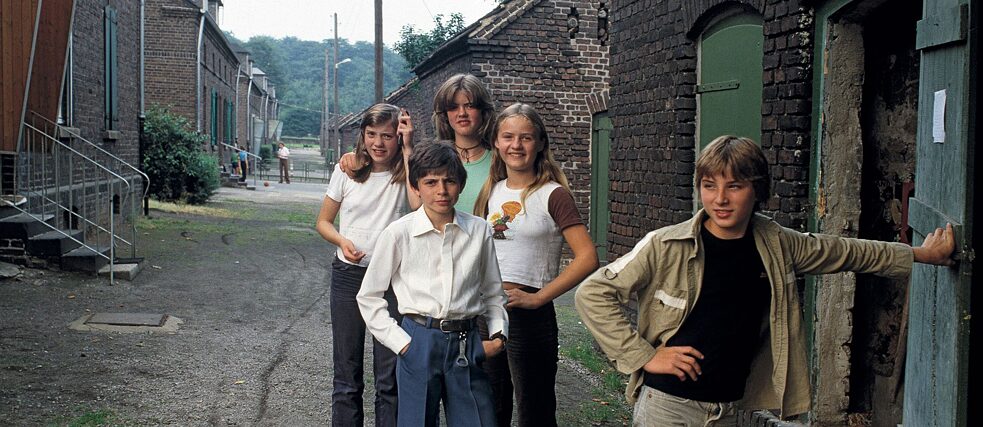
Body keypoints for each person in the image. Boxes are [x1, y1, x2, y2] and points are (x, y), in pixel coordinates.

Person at [574, 135, 957, 426]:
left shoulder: (777, 244)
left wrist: (923, 254)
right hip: (669, 407)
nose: (720, 199)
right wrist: (646, 356)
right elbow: (593, 293)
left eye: (734, 186)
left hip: (731, 409)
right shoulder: (666, 245)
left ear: (757, 189)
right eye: (710, 186)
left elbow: (848, 252)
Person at [357, 141, 508, 427]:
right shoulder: (398, 233)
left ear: (460, 185)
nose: (441, 190)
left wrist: (498, 336)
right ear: (416, 187)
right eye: (431, 182)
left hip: (467, 341)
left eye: (450, 181)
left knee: (478, 420)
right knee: (416, 421)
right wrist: (402, 344)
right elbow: (369, 297)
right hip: (419, 339)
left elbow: (493, 293)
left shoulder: (479, 231)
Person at [473, 104, 599, 426]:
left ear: (540, 143)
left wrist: (538, 298)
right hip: (486, 314)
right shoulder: (491, 191)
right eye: (508, 137)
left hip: (529, 318)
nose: (516, 145)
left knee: (535, 412)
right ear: (497, 144)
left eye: (526, 137)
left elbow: (587, 258)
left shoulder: (553, 195)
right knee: (488, 409)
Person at [315, 103, 415, 427]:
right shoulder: (347, 170)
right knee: (347, 375)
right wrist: (342, 241)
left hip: (391, 282)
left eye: (388, 135)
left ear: (398, 137)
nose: (379, 143)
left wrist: (410, 148)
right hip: (348, 277)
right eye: (372, 134)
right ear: (362, 134)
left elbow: (418, 204)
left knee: (390, 378)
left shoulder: (406, 173)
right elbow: (324, 222)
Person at [341, 74, 497, 214]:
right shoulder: (432, 158)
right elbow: (417, 204)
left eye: (470, 106)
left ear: (483, 110)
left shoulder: (499, 161)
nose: (462, 113)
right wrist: (357, 156)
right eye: (453, 107)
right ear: (444, 113)